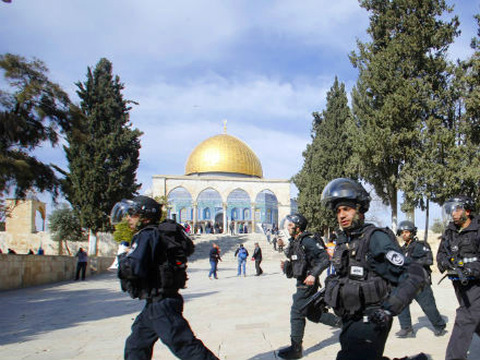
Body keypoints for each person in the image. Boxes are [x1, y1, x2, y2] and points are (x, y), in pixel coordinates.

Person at [321, 178, 427, 360]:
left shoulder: (375, 238)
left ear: (360, 209)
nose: (341, 215)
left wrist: (388, 310)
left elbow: (416, 274)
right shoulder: (344, 241)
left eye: (346, 209)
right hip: (350, 317)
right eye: (338, 211)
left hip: (372, 318)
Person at [110, 195, 218, 360]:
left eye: (132, 214)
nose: (128, 218)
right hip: (155, 303)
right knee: (136, 345)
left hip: (161, 304)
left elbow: (134, 268)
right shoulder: (157, 234)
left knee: (185, 346)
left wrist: (122, 259)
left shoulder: (146, 236)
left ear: (144, 217)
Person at [277, 213, 330, 359]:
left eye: (290, 225)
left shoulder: (308, 241)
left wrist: (313, 274)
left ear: (298, 227)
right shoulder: (296, 241)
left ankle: (296, 349)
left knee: (297, 312)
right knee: (312, 314)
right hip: (301, 282)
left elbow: (325, 258)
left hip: (307, 283)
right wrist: (287, 266)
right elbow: (298, 260)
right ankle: (345, 324)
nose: (288, 227)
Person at [437, 195, 480, 360]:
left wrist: (470, 270)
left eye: (457, 209)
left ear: (467, 211)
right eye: (451, 210)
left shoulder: (477, 230)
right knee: (476, 319)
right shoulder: (450, 232)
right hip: (460, 285)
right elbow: (441, 255)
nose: (453, 213)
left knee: (466, 318)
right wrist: (446, 264)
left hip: (477, 284)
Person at [395, 220, 446, 338]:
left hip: (420, 282)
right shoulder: (402, 250)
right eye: (402, 232)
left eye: (406, 232)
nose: (404, 235)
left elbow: (429, 260)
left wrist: (412, 263)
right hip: (406, 283)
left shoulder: (421, 245)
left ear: (412, 232)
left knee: (428, 306)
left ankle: (439, 326)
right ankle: (406, 328)